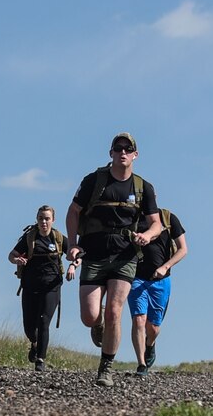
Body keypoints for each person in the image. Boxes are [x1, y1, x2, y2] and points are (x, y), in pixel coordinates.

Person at [66, 132, 162, 389]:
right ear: (110, 153)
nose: (122, 152)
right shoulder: (94, 181)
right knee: (90, 315)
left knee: (115, 313)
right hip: (94, 254)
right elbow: (73, 212)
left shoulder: (143, 188)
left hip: (124, 257)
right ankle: (96, 326)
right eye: (117, 148)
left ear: (135, 155)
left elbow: (157, 224)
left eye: (127, 149)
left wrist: (146, 236)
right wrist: (73, 244)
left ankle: (105, 367)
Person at [8, 204, 78, 370]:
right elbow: (11, 255)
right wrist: (17, 260)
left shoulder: (59, 238)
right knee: (29, 328)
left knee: (44, 321)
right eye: (41, 218)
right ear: (37, 220)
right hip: (30, 286)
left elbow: (77, 253)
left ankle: (41, 360)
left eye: (47, 218)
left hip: (51, 286)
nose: (44, 222)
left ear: (53, 220)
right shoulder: (29, 238)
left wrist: (73, 265)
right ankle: (34, 343)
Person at [128, 207, 187, 374]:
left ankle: (150, 344)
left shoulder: (168, 218)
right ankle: (141, 364)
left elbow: (183, 249)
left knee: (153, 328)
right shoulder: (132, 219)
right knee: (139, 320)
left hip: (161, 280)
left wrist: (165, 266)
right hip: (136, 278)